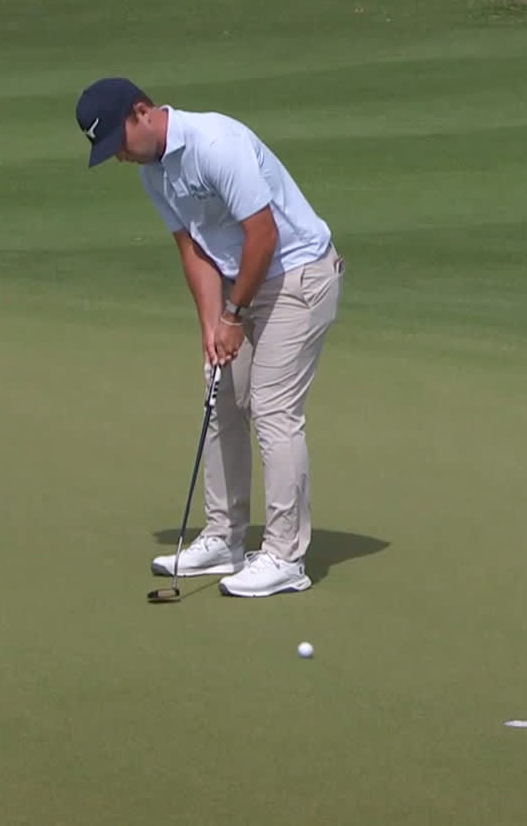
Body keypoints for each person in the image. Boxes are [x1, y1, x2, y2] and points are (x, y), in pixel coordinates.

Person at [74, 76, 345, 598]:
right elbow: (193, 249)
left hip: (298, 275)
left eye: (119, 143)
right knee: (219, 394)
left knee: (271, 408)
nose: (120, 157)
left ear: (142, 112)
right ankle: (224, 537)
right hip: (242, 282)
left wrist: (234, 314)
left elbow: (262, 234)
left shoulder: (215, 144)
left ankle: (286, 557)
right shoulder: (154, 174)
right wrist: (210, 325)